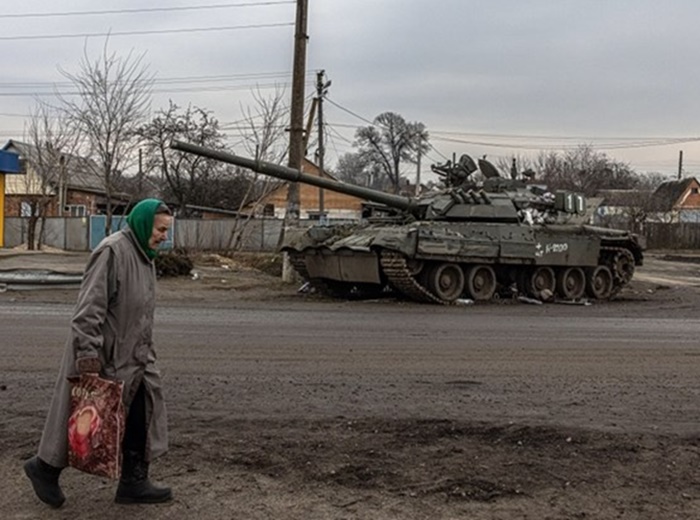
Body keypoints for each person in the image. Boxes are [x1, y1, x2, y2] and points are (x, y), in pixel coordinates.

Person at [24, 198, 175, 508]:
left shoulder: (145, 257)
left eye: (166, 231)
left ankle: (134, 483)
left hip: (136, 354)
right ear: (145, 223)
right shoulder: (113, 251)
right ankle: (44, 468)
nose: (164, 236)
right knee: (86, 419)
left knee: (140, 413)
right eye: (160, 230)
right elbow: (88, 311)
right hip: (106, 354)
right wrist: (88, 357)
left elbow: (140, 312)